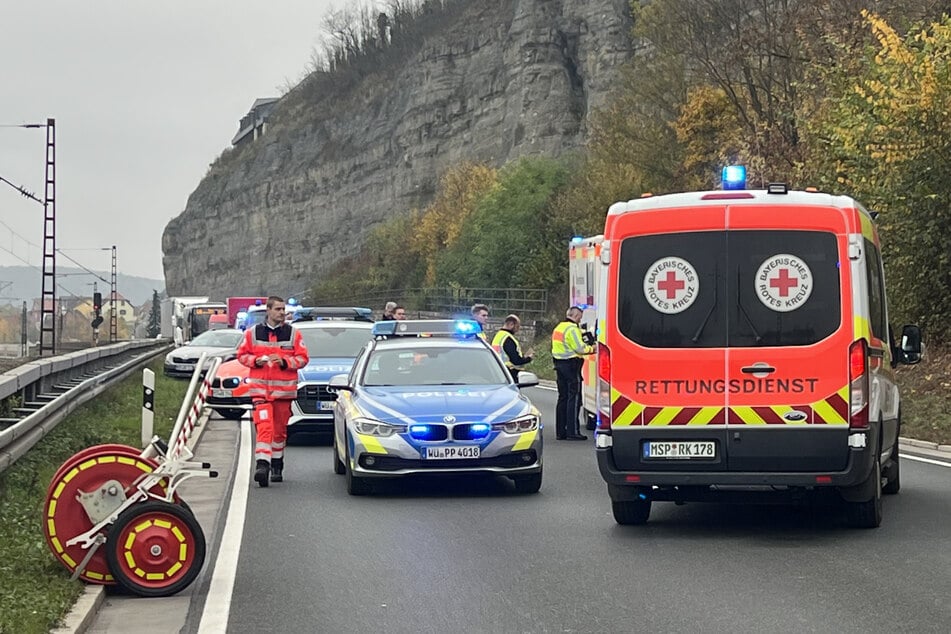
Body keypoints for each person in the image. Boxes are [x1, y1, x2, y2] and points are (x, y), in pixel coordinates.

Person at [237, 296, 309, 486]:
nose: (282, 313)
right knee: (264, 427)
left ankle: (277, 465)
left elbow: (303, 359)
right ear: (268, 311)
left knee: (279, 432)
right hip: (261, 393)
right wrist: (255, 361)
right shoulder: (253, 333)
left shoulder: (293, 334)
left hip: (284, 394)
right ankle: (262, 465)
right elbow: (242, 355)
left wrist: (285, 362)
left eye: (283, 309)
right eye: (278, 309)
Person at [551, 306, 594, 440]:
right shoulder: (572, 329)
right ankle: (573, 431)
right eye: (580, 317)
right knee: (574, 398)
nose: (580, 319)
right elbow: (580, 348)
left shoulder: (559, 327)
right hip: (571, 365)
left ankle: (560, 431)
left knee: (562, 398)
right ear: (575, 316)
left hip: (559, 364)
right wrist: (593, 348)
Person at [491, 314, 534, 382]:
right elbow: (515, 360)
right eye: (517, 327)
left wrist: (523, 357)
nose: (518, 330)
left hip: (498, 371)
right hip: (509, 373)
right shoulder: (508, 339)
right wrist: (529, 358)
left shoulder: (498, 336)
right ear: (511, 324)